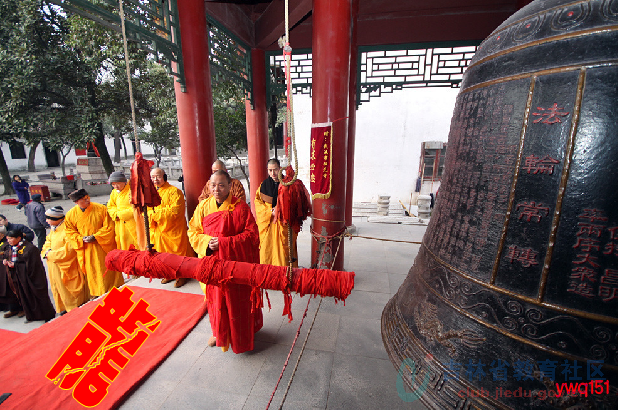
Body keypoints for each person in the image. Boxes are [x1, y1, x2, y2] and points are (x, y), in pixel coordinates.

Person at [188, 170, 262, 353]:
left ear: (230, 186)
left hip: (236, 266)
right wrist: (207, 242)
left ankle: (244, 335)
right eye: (213, 185)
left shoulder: (241, 208)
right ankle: (219, 333)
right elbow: (192, 232)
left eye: (221, 185)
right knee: (216, 301)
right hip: (213, 265)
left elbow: (252, 235)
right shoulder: (203, 207)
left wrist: (224, 243)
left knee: (238, 302)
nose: (216, 189)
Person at [64, 189, 124, 297]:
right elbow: (69, 231)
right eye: (83, 199)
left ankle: (114, 291)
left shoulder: (101, 208)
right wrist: (80, 238)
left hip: (102, 246)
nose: (87, 200)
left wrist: (96, 237)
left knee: (108, 270)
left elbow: (109, 227)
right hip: (86, 249)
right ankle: (97, 293)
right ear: (76, 202)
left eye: (87, 197)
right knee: (93, 273)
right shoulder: (70, 214)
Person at [149, 168, 193, 288]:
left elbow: (176, 211)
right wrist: (155, 214)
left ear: (165, 176)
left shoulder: (175, 192)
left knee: (178, 254)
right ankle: (168, 273)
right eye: (152, 177)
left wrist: (156, 214)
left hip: (174, 229)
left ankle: (182, 275)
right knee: (163, 254)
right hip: (160, 230)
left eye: (158, 176)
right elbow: (147, 212)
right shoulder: (152, 194)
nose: (155, 180)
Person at [41, 206, 90, 314]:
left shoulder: (68, 230)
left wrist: (51, 255)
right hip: (54, 266)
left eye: (48, 218)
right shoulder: (54, 229)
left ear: (55, 219)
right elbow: (46, 244)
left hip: (67, 265)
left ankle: (74, 308)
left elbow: (69, 250)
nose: (46, 221)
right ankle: (63, 307)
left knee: (69, 290)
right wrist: (47, 252)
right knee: (58, 288)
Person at [0, 229, 55, 323]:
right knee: (24, 297)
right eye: (7, 239)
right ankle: (30, 316)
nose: (8, 241)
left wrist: (16, 265)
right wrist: (6, 261)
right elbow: (7, 256)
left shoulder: (30, 248)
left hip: (32, 278)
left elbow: (33, 265)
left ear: (19, 238)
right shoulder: (10, 247)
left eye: (11, 238)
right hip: (19, 277)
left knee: (38, 296)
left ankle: (47, 315)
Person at [254, 158, 298, 266]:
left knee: (284, 256)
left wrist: (281, 209)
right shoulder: (263, 186)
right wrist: (270, 212)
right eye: (270, 170)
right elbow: (258, 204)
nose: (273, 173)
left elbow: (296, 202)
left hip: (283, 222)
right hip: (269, 225)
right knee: (267, 253)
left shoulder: (288, 184)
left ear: (280, 169)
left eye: (275, 169)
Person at [106, 171, 138, 250]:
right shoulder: (114, 192)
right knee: (122, 244)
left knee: (134, 245)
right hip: (119, 223)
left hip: (132, 223)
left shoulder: (133, 191)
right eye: (113, 184)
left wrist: (121, 214)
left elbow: (137, 207)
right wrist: (115, 214)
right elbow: (110, 206)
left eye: (117, 183)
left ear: (124, 182)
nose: (115, 186)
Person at [0, 226, 21, 318]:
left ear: (2, 235)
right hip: (2, 272)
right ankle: (12, 309)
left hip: (9, 271)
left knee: (14, 290)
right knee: (7, 292)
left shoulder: (6, 244)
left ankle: (21, 309)